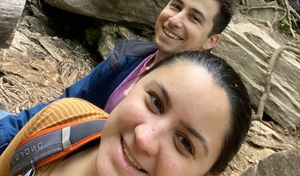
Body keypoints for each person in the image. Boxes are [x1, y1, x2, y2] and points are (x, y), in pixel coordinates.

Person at [0, 0, 234, 155]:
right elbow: (61, 106)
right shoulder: (126, 59)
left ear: (211, 41)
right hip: (61, 150)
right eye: (175, 6)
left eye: (194, 18)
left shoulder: (197, 106)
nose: (175, 20)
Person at [0, 51, 252, 176]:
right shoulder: (64, 119)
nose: (144, 138)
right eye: (156, 102)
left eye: (185, 142)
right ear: (132, 85)